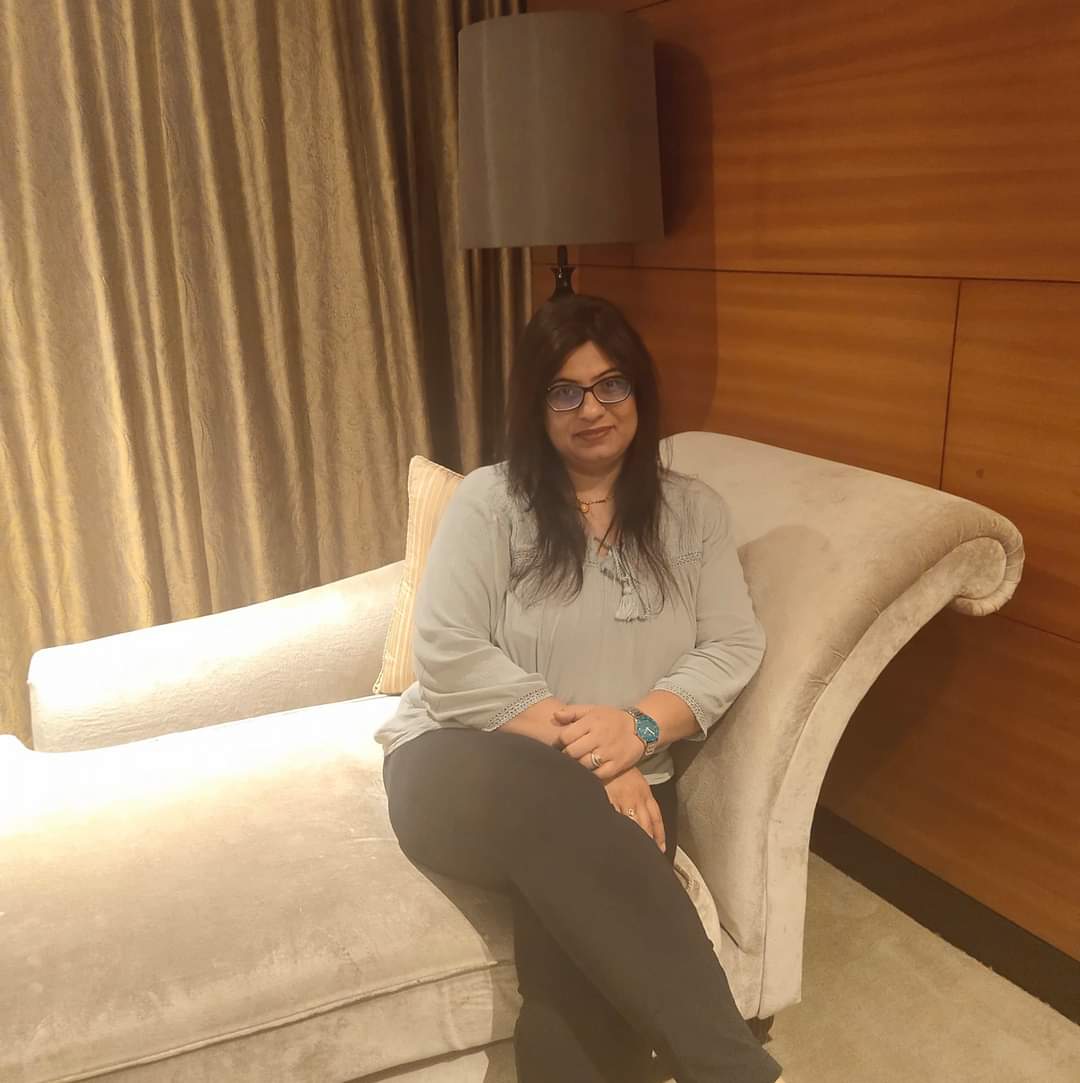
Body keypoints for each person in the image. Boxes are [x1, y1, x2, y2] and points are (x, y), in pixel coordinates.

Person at [375, 294, 786, 1083]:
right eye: (564, 391)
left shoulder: (694, 513)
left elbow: (733, 643)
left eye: (610, 384)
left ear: (640, 390)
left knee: (578, 983)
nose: (591, 408)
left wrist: (638, 728)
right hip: (459, 761)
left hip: (628, 778)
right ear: (536, 406)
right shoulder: (491, 502)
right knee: (556, 805)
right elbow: (448, 652)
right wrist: (594, 755)